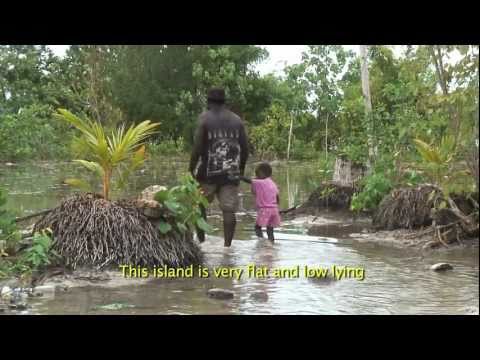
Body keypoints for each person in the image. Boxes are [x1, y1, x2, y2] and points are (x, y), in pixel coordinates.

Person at [189, 88, 249, 247]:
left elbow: (197, 148)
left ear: (208, 102)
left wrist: (191, 170)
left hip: (207, 174)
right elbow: (245, 149)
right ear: (224, 102)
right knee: (229, 210)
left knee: (199, 205)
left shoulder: (204, 118)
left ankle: (201, 243)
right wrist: (240, 170)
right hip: (231, 174)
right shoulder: (237, 120)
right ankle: (227, 248)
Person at [237, 162, 281, 242]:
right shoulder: (272, 183)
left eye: (257, 174)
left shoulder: (261, 182)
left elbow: (250, 181)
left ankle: (261, 242)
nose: (256, 177)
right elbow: (277, 197)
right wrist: (277, 207)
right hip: (274, 209)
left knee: (257, 227)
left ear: (261, 173)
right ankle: (271, 243)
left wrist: (238, 176)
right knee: (270, 229)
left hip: (265, 210)